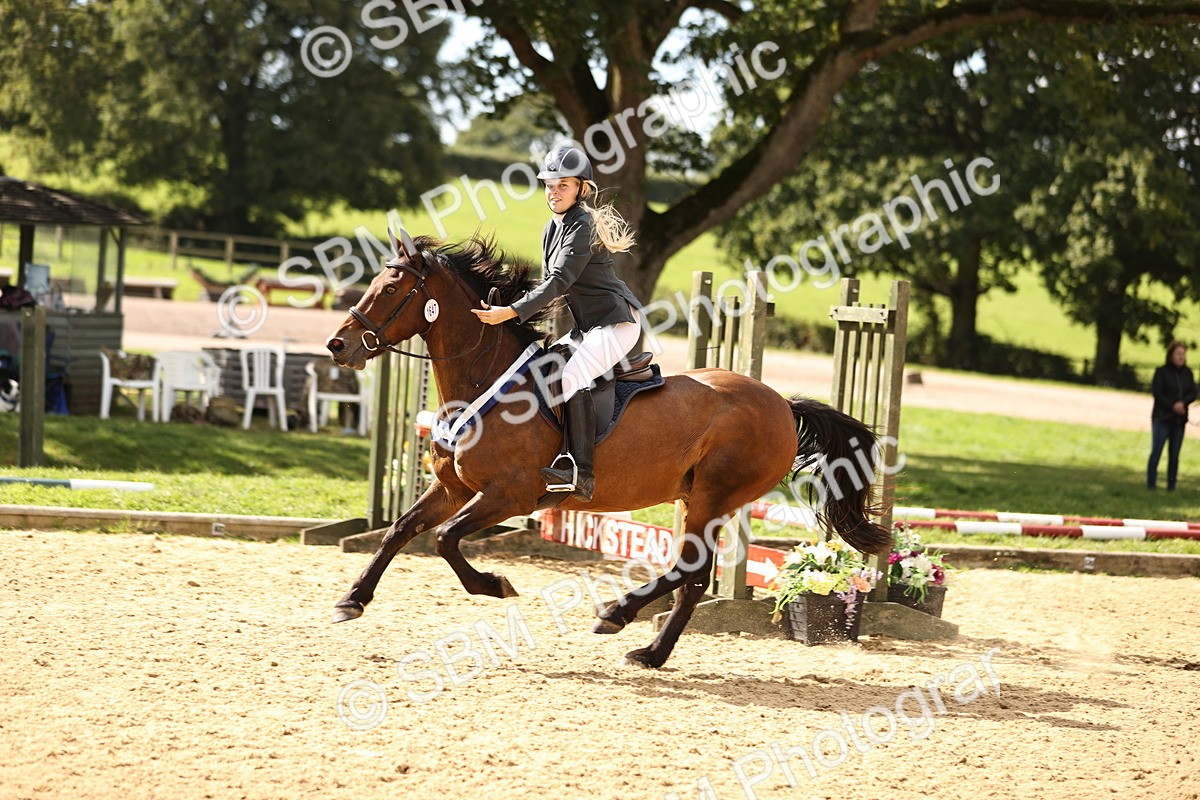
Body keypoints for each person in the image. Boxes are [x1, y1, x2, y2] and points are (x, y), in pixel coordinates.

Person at [471, 144, 642, 501]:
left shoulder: (583, 225)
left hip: (616, 323)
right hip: (588, 328)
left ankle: (580, 472)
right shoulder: (553, 227)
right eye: (550, 184)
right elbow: (550, 281)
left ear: (582, 189)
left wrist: (513, 312)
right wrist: (509, 301)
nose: (554, 191)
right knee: (544, 369)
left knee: (571, 376)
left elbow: (559, 282)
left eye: (563, 185)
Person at [1147, 341, 1197, 491]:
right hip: (1162, 418)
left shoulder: (1188, 373)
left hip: (1179, 421)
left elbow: (1193, 392)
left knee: (1174, 455)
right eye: (1178, 354)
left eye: (1183, 354)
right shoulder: (1161, 372)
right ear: (1171, 355)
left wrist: (1183, 403)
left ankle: (1171, 485)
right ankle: (1151, 484)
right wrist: (1173, 405)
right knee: (1157, 451)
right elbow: (1158, 393)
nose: (1181, 357)